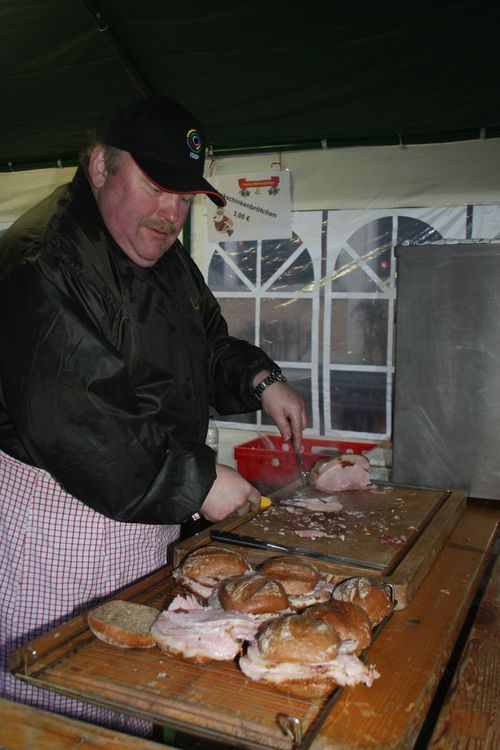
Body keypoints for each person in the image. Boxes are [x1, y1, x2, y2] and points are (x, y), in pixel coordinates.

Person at [0, 96, 306, 733]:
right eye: (157, 187)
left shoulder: (158, 252)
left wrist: (260, 379)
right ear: (99, 166)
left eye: (185, 196)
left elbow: (203, 343)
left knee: (133, 692)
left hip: (149, 502)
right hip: (63, 518)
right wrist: (201, 481)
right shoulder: (44, 261)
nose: (171, 214)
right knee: (61, 711)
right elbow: (82, 422)